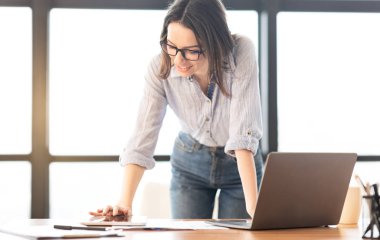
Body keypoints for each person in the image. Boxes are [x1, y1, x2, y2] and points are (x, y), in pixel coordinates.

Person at [90, 0, 263, 219]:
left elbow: (243, 133)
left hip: (240, 166)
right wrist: (125, 202)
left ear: (215, 43)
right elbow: (143, 136)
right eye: (171, 46)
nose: (178, 60)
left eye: (191, 51)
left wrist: (254, 208)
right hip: (189, 162)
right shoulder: (159, 67)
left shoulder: (240, 51)